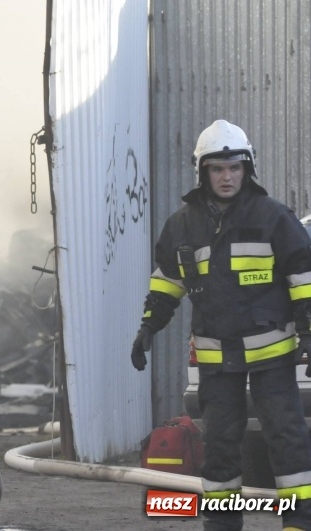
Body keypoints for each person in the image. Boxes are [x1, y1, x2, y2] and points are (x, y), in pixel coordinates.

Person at [130, 119, 311, 531]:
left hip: (272, 356)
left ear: (247, 169)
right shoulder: (181, 225)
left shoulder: (273, 217)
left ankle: (299, 523)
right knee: (221, 448)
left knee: (287, 441)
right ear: (202, 171)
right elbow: (168, 281)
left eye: (234, 167)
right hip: (216, 357)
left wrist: (310, 333)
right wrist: (148, 327)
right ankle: (222, 525)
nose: (226, 177)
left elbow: (303, 278)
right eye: (217, 168)